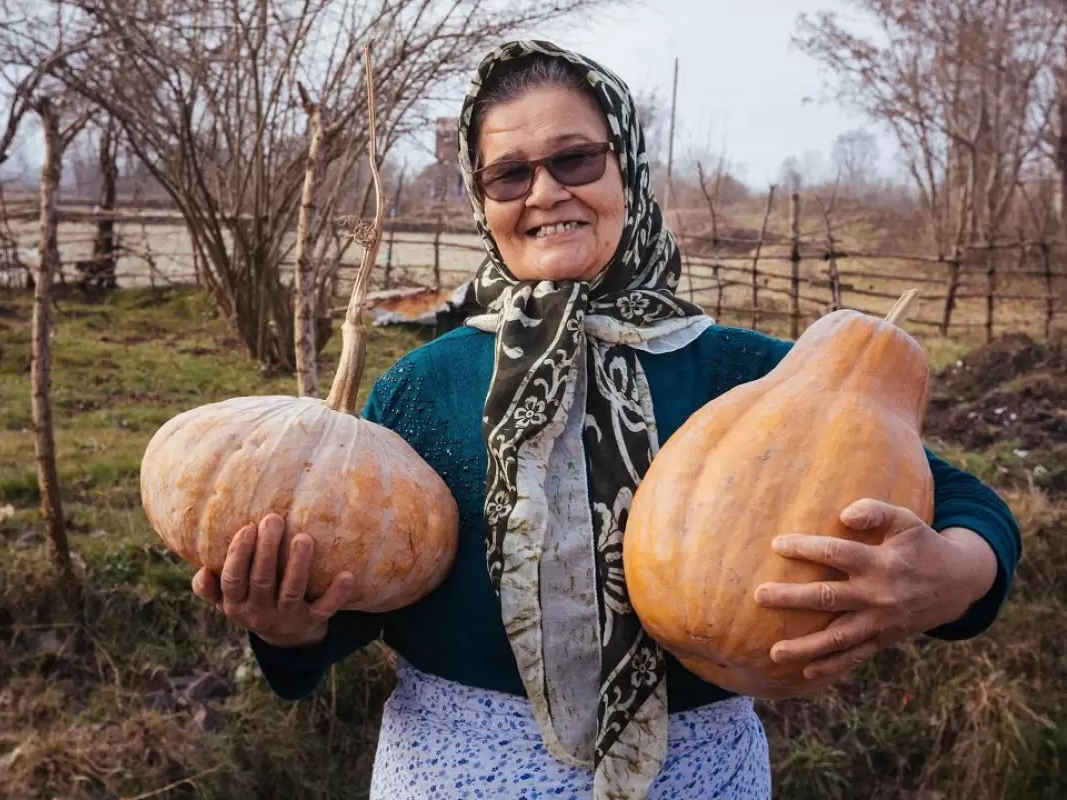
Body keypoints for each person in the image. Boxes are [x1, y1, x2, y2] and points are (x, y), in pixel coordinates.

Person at [190, 40, 1021, 800]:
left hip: (696, 775)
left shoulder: (747, 369)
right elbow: (360, 592)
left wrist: (956, 576)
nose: (547, 192)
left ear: (628, 166)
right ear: (482, 200)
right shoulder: (421, 386)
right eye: (509, 174)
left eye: (575, 159)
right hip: (453, 771)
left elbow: (962, 505)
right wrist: (290, 633)